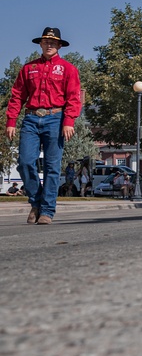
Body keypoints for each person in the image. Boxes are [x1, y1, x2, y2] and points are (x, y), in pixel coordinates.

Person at [5, 27, 82, 225]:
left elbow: (74, 98)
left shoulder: (68, 69)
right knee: (25, 162)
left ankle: (47, 210)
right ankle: (36, 202)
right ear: (40, 44)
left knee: (51, 166)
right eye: (46, 41)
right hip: (31, 119)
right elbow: (17, 96)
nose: (49, 45)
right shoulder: (28, 68)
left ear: (59, 46)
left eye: (53, 42)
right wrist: (11, 121)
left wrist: (69, 121)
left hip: (55, 118)